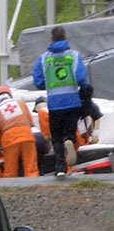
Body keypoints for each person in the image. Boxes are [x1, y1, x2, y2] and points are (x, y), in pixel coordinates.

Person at [32, 26, 88, 178]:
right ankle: (69, 139)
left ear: (52, 39)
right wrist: (83, 88)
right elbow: (81, 77)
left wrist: (48, 85)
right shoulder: (73, 56)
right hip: (72, 101)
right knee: (69, 132)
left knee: (56, 136)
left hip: (55, 103)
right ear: (65, 37)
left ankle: (60, 168)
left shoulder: (44, 58)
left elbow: (38, 79)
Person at [0, 86, 39, 178]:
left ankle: (11, 190)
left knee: (10, 172)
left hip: (10, 140)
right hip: (27, 136)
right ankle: (34, 188)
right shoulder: (21, 104)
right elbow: (30, 121)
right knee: (31, 168)